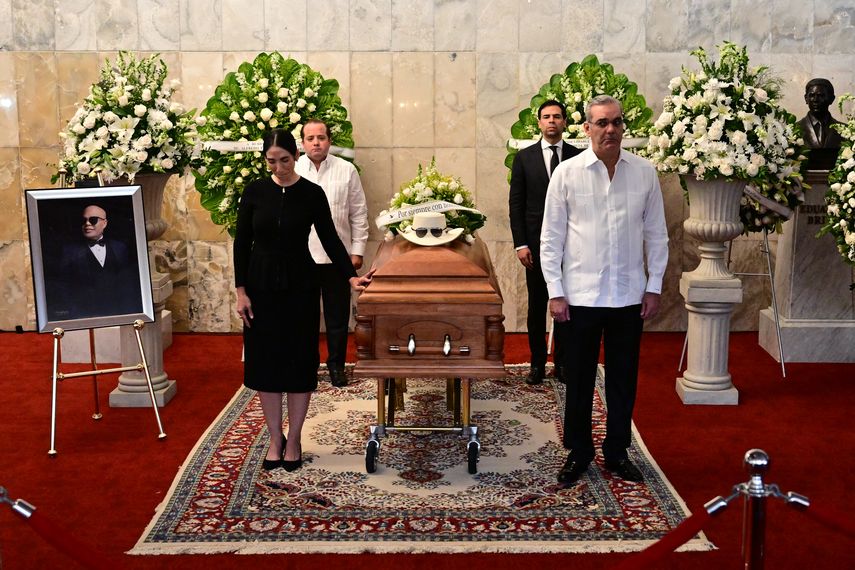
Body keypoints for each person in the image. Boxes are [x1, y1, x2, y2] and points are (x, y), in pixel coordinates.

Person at [540, 95, 668, 486]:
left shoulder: (644, 173)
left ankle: (616, 452)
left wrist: (654, 286)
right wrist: (555, 291)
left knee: (623, 379)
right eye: (601, 123)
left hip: (628, 297)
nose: (609, 129)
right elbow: (551, 237)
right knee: (577, 378)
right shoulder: (567, 173)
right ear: (587, 128)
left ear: (623, 127)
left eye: (616, 122)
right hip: (580, 297)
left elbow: (656, 235)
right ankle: (579, 451)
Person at [233, 129, 372, 472]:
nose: (278, 167)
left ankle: (293, 438)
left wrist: (351, 276)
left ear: (295, 155)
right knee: (265, 363)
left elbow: (330, 238)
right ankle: (274, 438)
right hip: (260, 285)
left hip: (300, 285)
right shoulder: (254, 192)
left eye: (284, 160)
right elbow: (241, 244)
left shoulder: (312, 194)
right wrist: (240, 291)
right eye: (271, 161)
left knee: (297, 361)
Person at [509, 99, 582, 385]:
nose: (551, 121)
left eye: (557, 117)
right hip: (535, 247)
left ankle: (562, 364)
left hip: (571, 245)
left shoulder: (578, 157)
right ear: (539, 123)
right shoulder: (524, 158)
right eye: (546, 117)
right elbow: (516, 204)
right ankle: (537, 364)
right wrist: (520, 244)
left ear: (565, 122)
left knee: (567, 304)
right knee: (537, 306)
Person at [295, 119, 369, 388]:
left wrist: (357, 251)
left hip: (338, 259)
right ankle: (307, 366)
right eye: (310, 138)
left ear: (329, 141)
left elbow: (359, 213)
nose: (316, 143)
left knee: (338, 317)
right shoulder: (293, 171)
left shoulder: (346, 170)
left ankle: (336, 365)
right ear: (302, 143)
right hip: (302, 259)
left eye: (321, 137)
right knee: (305, 317)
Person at [49, 204, 142, 321]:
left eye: (93, 220)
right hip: (85, 316)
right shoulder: (69, 252)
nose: (87, 224)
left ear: (105, 223)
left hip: (117, 313)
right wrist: (76, 315)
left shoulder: (120, 248)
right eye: (84, 220)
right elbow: (62, 287)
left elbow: (128, 285)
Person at [797, 78, 843, 149]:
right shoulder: (793, 129)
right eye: (812, 95)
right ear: (806, 98)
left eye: (821, 96)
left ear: (831, 99)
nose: (815, 100)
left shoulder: (845, 131)